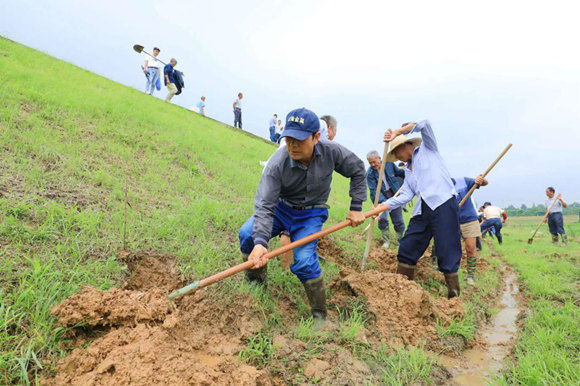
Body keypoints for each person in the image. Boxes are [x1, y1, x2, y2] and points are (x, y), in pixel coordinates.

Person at [238, 108, 367, 326]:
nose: (292, 146)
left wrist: (356, 206)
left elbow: (357, 169)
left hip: (311, 214)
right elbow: (264, 204)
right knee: (247, 235)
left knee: (305, 260)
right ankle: (256, 283)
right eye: (288, 139)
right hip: (281, 209)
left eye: (298, 140)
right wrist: (260, 242)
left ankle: (319, 316)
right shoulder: (277, 163)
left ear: (316, 137)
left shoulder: (332, 152)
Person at [378, 120, 462, 299]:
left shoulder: (428, 149)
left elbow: (425, 123)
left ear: (406, 145)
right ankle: (404, 292)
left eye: (396, 151)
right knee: (408, 246)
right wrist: (383, 206)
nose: (396, 156)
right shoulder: (407, 171)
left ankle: (454, 299)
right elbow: (405, 196)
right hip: (422, 209)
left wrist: (397, 130)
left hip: (443, 202)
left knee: (446, 250)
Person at [452, 176, 488, 285]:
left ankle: (470, 276)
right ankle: (452, 273)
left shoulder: (463, 181)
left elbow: (485, 182)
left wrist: (481, 181)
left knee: (471, 248)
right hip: (452, 221)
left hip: (469, 220)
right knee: (451, 249)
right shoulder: (440, 187)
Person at [366, 150, 406, 249]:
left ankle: (400, 241)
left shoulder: (389, 164)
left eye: (374, 162)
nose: (372, 164)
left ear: (379, 158)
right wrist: (382, 203)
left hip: (394, 195)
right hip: (379, 199)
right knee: (382, 219)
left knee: (398, 220)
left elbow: (399, 172)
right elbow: (373, 190)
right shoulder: (370, 173)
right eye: (370, 163)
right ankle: (386, 241)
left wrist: (408, 170)